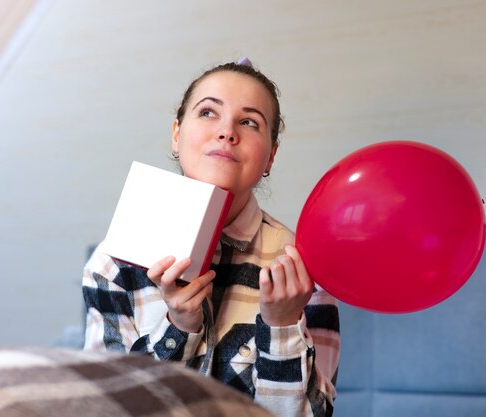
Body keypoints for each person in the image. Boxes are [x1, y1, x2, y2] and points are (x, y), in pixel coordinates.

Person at [83, 58, 340, 417]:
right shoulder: (113, 263)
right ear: (176, 133)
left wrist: (282, 326)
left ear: (271, 156)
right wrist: (178, 327)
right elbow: (104, 406)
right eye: (208, 113)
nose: (226, 132)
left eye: (249, 122)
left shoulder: (302, 271)